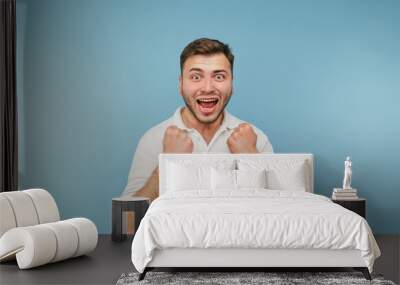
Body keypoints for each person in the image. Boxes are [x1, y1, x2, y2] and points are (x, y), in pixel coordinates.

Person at [121, 38, 273, 201]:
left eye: (219, 77)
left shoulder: (255, 139)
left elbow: (280, 213)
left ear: (232, 84)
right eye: (196, 77)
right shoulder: (153, 139)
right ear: (180, 85)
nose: (207, 88)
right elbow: (128, 221)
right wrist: (167, 164)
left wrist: (251, 159)